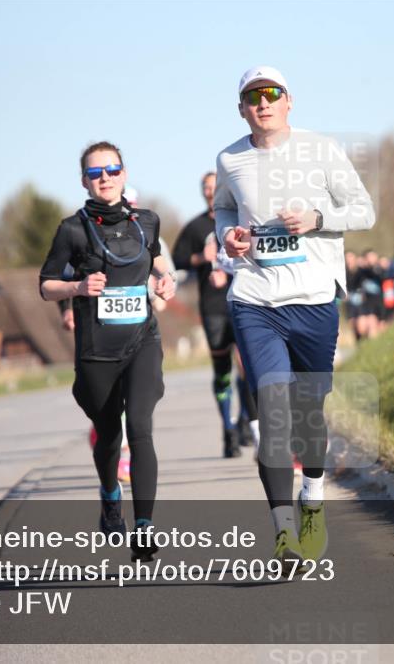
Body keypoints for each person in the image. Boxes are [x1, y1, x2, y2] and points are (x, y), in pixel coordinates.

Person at [215, 65, 376, 563]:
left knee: (308, 414)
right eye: (252, 96)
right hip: (255, 298)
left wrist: (317, 219)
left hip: (313, 299)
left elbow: (365, 211)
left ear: (289, 102)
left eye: (271, 93)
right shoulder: (230, 159)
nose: (262, 102)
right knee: (273, 408)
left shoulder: (321, 149)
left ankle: (312, 496)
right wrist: (228, 236)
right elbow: (224, 209)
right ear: (241, 109)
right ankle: (282, 529)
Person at [40, 141, 176, 562]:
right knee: (109, 435)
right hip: (97, 350)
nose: (105, 178)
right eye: (96, 172)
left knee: (140, 425)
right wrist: (78, 287)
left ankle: (144, 527)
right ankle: (109, 494)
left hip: (142, 340)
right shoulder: (72, 229)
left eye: (113, 170)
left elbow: (157, 264)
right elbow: (46, 285)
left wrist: (166, 280)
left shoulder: (146, 222)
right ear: (84, 180)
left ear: (124, 173)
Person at [172, 171, 259, 458]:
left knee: (247, 367)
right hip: (213, 307)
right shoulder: (195, 227)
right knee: (222, 369)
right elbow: (177, 260)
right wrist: (201, 258)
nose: (210, 192)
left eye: (214, 187)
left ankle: (248, 418)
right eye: (206, 188)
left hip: (245, 299)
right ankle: (228, 429)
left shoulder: (239, 219)